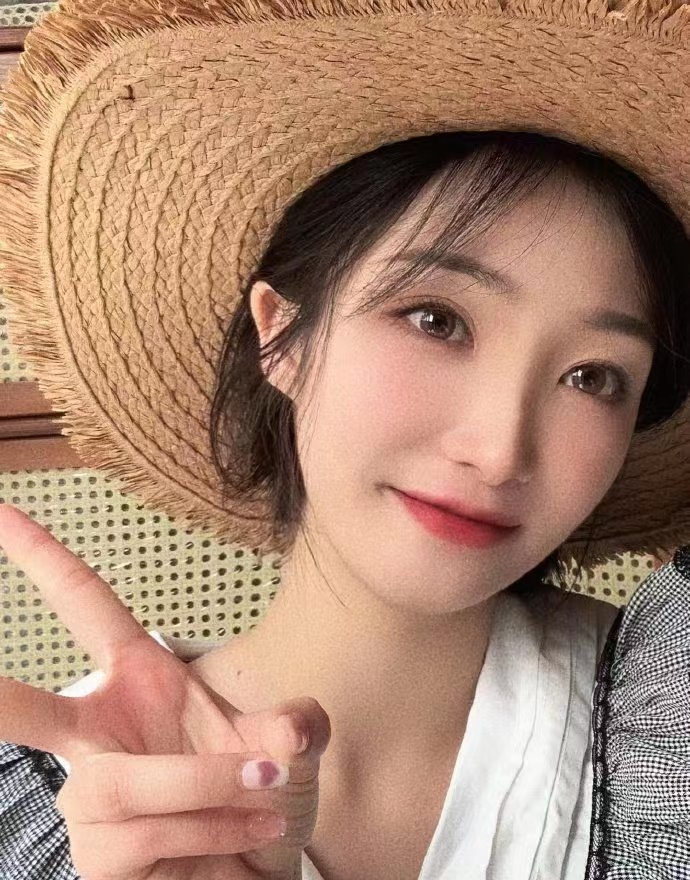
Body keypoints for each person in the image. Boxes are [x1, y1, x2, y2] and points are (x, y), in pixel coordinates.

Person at [0, 0, 689, 878]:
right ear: (281, 336)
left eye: (593, 377)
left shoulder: (670, 722)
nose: (499, 452)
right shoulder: (37, 824)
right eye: (436, 320)